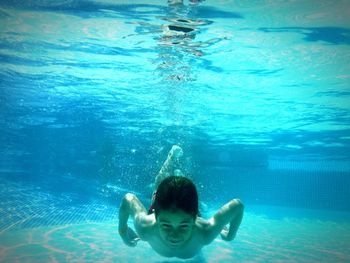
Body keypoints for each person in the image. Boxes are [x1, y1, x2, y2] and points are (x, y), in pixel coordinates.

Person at [118, 145, 244, 259]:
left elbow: (238, 205)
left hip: (178, 214)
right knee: (159, 183)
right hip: (168, 210)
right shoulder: (145, 228)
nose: (174, 236)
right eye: (166, 225)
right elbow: (128, 199)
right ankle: (171, 157)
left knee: (170, 187)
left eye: (183, 226)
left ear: (195, 217)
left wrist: (230, 236)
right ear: (155, 216)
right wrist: (122, 231)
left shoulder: (205, 232)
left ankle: (180, 176)